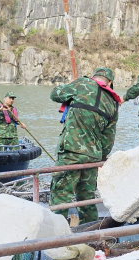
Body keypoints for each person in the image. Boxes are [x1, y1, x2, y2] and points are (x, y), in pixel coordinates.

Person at [49, 67, 121, 224]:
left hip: (70, 152)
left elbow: (55, 94)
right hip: (93, 157)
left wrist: (72, 85)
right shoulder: (113, 103)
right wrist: (99, 158)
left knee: (61, 195)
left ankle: (53, 236)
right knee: (86, 197)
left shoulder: (82, 83)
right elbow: (108, 140)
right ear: (109, 83)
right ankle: (91, 235)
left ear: (93, 77)